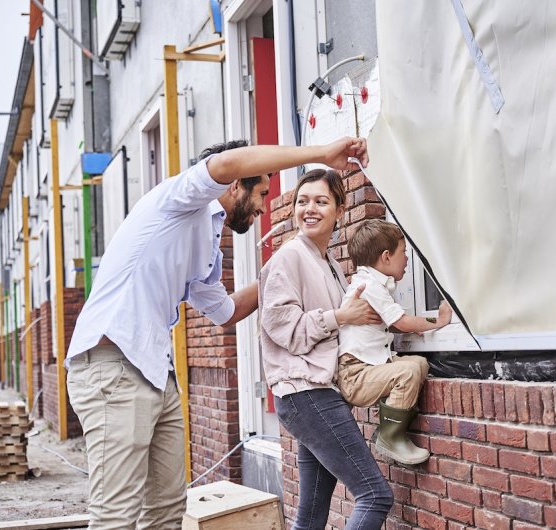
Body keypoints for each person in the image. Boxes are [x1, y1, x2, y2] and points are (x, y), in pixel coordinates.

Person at [65, 137, 368, 530]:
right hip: (114, 368)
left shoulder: (206, 244)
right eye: (262, 193)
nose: (263, 207)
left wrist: (281, 269)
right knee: (116, 516)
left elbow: (226, 312)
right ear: (235, 184)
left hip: (156, 375)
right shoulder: (179, 199)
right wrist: (321, 154)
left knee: (166, 511)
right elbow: (225, 163)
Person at [260, 168, 395, 529]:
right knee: (375, 495)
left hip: (313, 393)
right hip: (307, 393)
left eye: (321, 201)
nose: (310, 209)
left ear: (340, 209)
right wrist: (340, 316)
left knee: (311, 515)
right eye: (302, 201)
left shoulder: (329, 263)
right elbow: (283, 327)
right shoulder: (290, 256)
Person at [337, 219, 452, 465]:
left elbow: (395, 322)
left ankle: (388, 430)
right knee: (408, 372)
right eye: (404, 252)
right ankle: (391, 437)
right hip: (355, 375)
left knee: (419, 363)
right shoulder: (370, 286)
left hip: (367, 368)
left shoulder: (373, 284)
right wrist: (439, 321)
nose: (407, 259)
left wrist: (415, 326)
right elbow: (401, 321)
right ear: (386, 257)